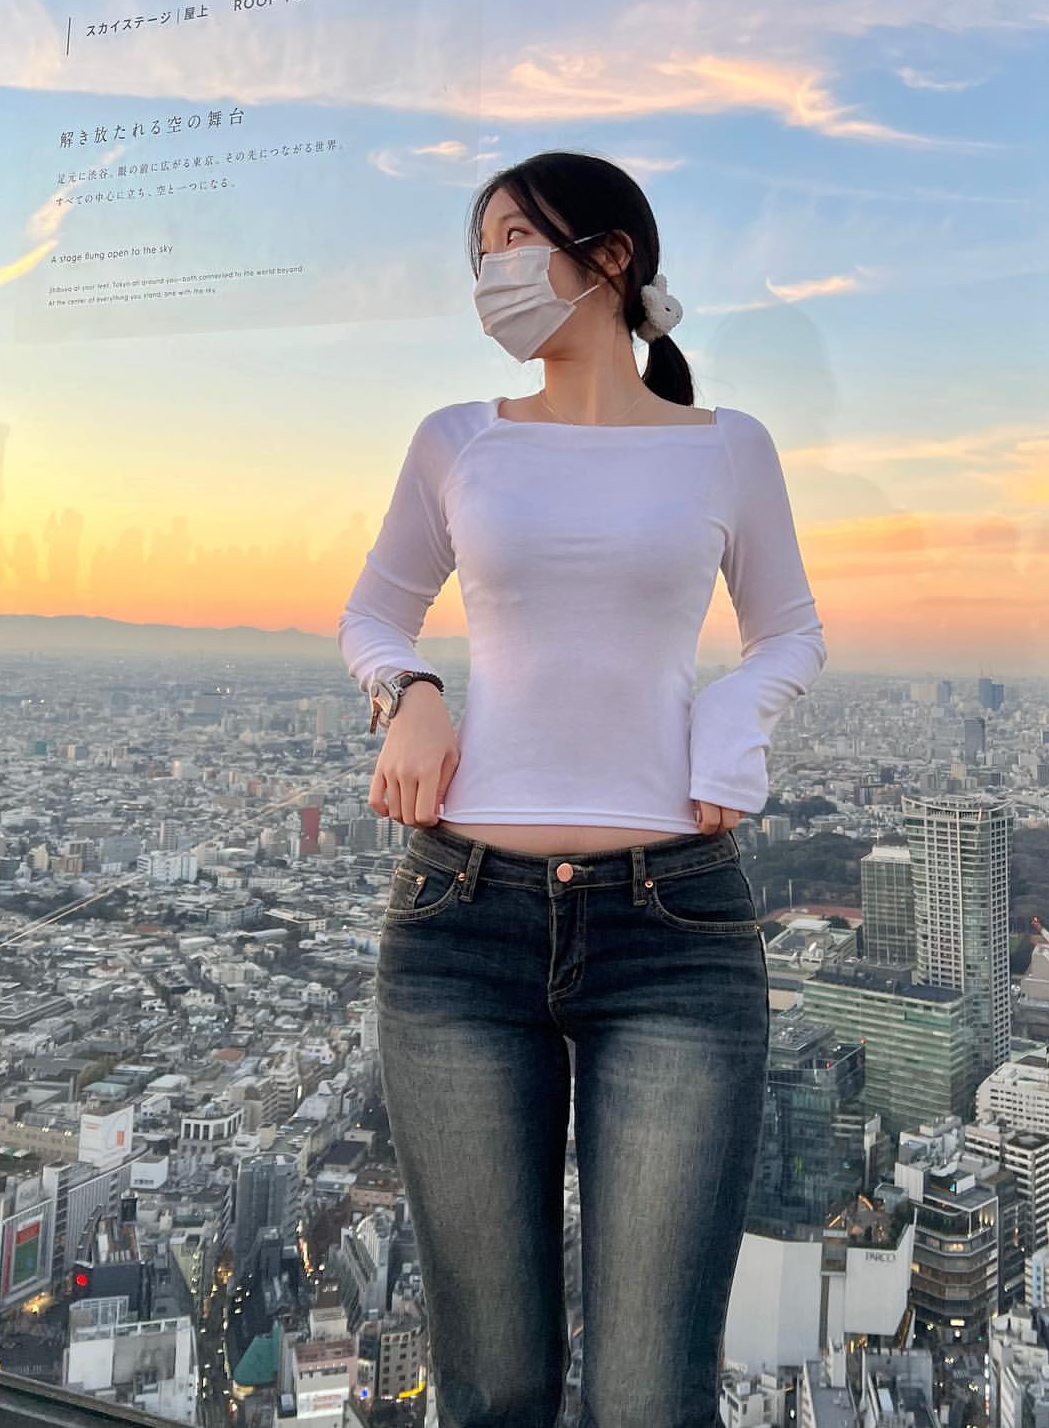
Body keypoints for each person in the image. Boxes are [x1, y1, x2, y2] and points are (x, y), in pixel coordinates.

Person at [337, 149, 827, 1427]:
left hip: (674, 931)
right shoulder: (457, 441)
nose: (491, 270)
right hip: (459, 923)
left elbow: (789, 631)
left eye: (516, 238)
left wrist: (732, 715)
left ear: (610, 258)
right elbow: (374, 613)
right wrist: (411, 691)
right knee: (492, 1386)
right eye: (482, 249)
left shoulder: (727, 449)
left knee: (650, 1395)